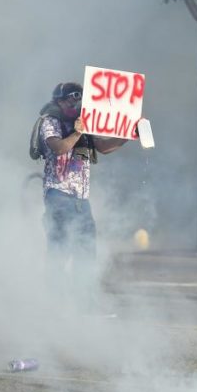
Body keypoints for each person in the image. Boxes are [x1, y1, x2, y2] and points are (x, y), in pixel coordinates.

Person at [33, 82, 127, 269]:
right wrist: (78, 132)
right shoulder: (50, 121)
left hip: (81, 200)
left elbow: (103, 147)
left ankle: (81, 292)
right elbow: (59, 148)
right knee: (60, 250)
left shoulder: (83, 121)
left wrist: (128, 135)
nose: (74, 105)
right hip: (58, 194)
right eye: (70, 101)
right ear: (58, 101)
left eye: (78, 100)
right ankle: (54, 293)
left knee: (86, 250)